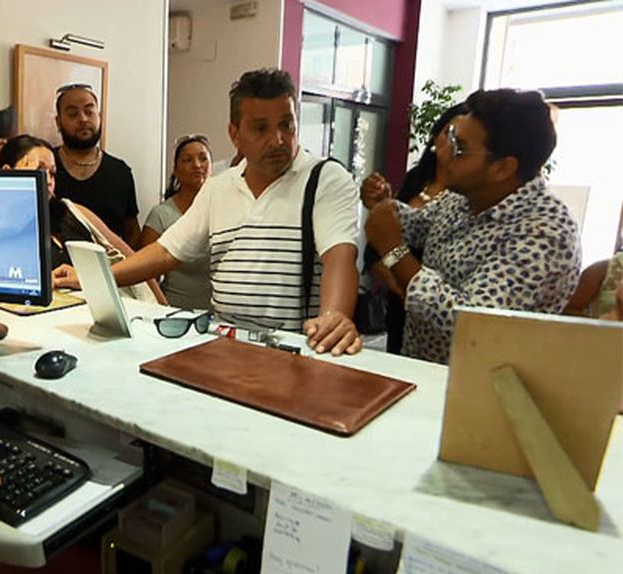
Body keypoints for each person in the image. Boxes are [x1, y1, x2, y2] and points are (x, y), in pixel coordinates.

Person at [56, 68, 362, 356]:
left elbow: (340, 256)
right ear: (235, 134)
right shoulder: (218, 188)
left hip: (294, 351)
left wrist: (334, 317)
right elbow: (165, 252)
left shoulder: (325, 178)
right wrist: (95, 277)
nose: (278, 139)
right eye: (261, 128)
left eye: (287, 124)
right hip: (224, 347)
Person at [364, 88, 580, 364]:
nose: (444, 154)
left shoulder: (546, 234)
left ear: (502, 168)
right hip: (421, 367)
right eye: (452, 138)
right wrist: (385, 206)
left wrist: (394, 251)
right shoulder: (463, 196)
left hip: (480, 392)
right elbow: (414, 225)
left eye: (460, 149)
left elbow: (468, 322)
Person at [0, 134, 164, 304]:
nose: (48, 180)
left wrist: (163, 306)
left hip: (102, 311)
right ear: (8, 172)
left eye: (53, 174)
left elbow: (130, 257)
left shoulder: (71, 211)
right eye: (39, 170)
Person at [359, 102, 468, 353]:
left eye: (463, 142)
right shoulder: (416, 180)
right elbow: (381, 240)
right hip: (401, 301)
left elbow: (391, 242)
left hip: (434, 306)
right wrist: (381, 206)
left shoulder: (466, 196)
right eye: (449, 135)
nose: (453, 145)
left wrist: (400, 264)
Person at [53, 84, 143, 249]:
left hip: (112, 270)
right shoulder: (46, 167)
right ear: (58, 122)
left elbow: (132, 232)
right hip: (58, 270)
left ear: (99, 116)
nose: (83, 119)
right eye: (73, 114)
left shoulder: (120, 172)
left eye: (89, 112)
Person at [140, 134, 213, 310]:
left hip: (219, 317)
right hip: (174, 313)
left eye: (203, 158)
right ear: (176, 170)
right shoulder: (161, 214)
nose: (197, 165)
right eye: (188, 160)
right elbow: (147, 276)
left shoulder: (225, 210)